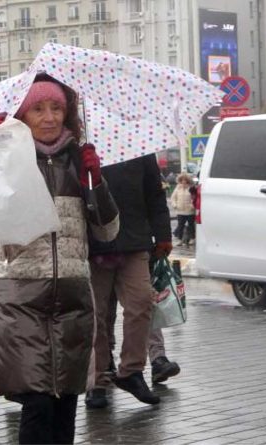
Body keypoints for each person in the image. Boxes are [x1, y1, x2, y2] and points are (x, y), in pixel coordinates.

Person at [0, 75, 119, 444]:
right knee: (37, 403)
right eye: (38, 108)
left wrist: (95, 181)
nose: (49, 117)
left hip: (72, 294)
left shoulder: (77, 161)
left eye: (57, 108)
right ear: (23, 113)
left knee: (66, 402)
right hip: (20, 295)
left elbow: (108, 231)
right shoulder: (7, 153)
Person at [86, 153, 178, 409]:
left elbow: (154, 192)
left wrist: (162, 233)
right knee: (97, 315)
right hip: (94, 243)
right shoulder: (80, 144)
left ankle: (131, 371)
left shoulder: (138, 147)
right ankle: (98, 381)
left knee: (141, 302)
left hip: (134, 239)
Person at [171, 173, 196, 246]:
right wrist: (175, 205)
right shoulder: (177, 188)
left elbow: (194, 198)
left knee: (191, 225)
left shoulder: (191, 188)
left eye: (185, 180)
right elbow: (173, 198)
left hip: (190, 211)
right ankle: (180, 239)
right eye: (182, 180)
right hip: (180, 211)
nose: (183, 181)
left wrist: (192, 206)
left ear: (188, 181)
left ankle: (192, 238)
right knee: (180, 225)